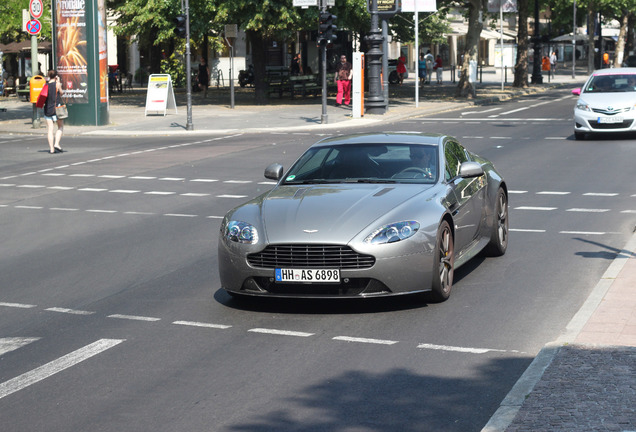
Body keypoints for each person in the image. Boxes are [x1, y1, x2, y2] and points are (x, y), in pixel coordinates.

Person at [43, 70, 64, 154]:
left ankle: (51, 149)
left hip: (48, 109)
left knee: (50, 129)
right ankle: (56, 144)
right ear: (56, 76)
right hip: (57, 109)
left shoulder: (45, 85)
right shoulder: (57, 84)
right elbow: (61, 93)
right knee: (60, 127)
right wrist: (58, 82)